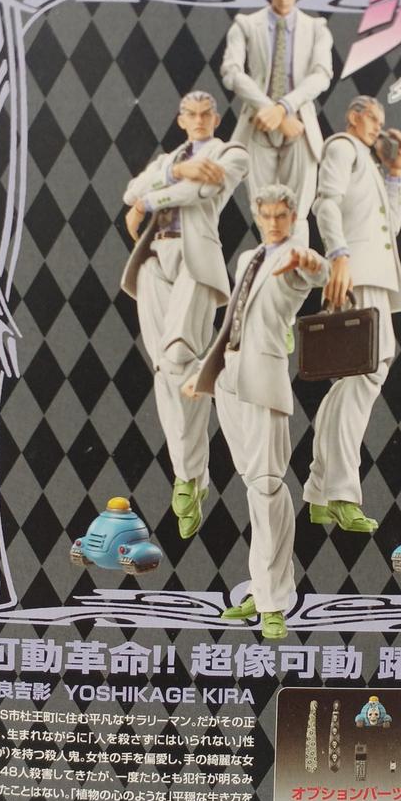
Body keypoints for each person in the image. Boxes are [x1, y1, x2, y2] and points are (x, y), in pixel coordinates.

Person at [184, 184, 329, 641]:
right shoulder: (248, 257)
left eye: (280, 215)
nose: (272, 222)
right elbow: (234, 320)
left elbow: (319, 272)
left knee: (268, 486)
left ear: (292, 217)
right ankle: (263, 586)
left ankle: (272, 602)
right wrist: (205, 371)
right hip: (230, 374)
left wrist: (308, 260)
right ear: (256, 214)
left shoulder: (295, 259)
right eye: (265, 214)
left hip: (264, 379)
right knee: (254, 484)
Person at [121, 90, 248, 538]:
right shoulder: (170, 159)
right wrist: (175, 171)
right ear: (180, 119)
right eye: (190, 114)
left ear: (216, 116)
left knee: (179, 357)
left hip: (196, 261)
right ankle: (188, 475)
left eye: (205, 113)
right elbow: (129, 190)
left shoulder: (231, 153)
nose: (198, 120)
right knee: (166, 369)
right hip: (154, 260)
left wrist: (147, 202)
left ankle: (192, 473)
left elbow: (200, 192)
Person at [303, 95, 401, 533]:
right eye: (373, 118)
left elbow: (391, 229)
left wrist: (395, 173)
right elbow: (325, 202)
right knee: (368, 370)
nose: (378, 126)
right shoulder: (342, 147)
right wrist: (339, 255)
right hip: (356, 272)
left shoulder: (367, 161)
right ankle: (342, 493)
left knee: (353, 380)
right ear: (354, 116)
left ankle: (318, 491)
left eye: (383, 120)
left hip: (372, 273)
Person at [220, 0, 333, 243]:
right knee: (263, 210)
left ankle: (296, 267)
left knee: (298, 211)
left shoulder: (316, 28)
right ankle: (268, 265)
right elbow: (231, 72)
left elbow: (322, 75)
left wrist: (284, 108)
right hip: (258, 124)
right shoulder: (246, 24)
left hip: (299, 125)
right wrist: (267, 107)